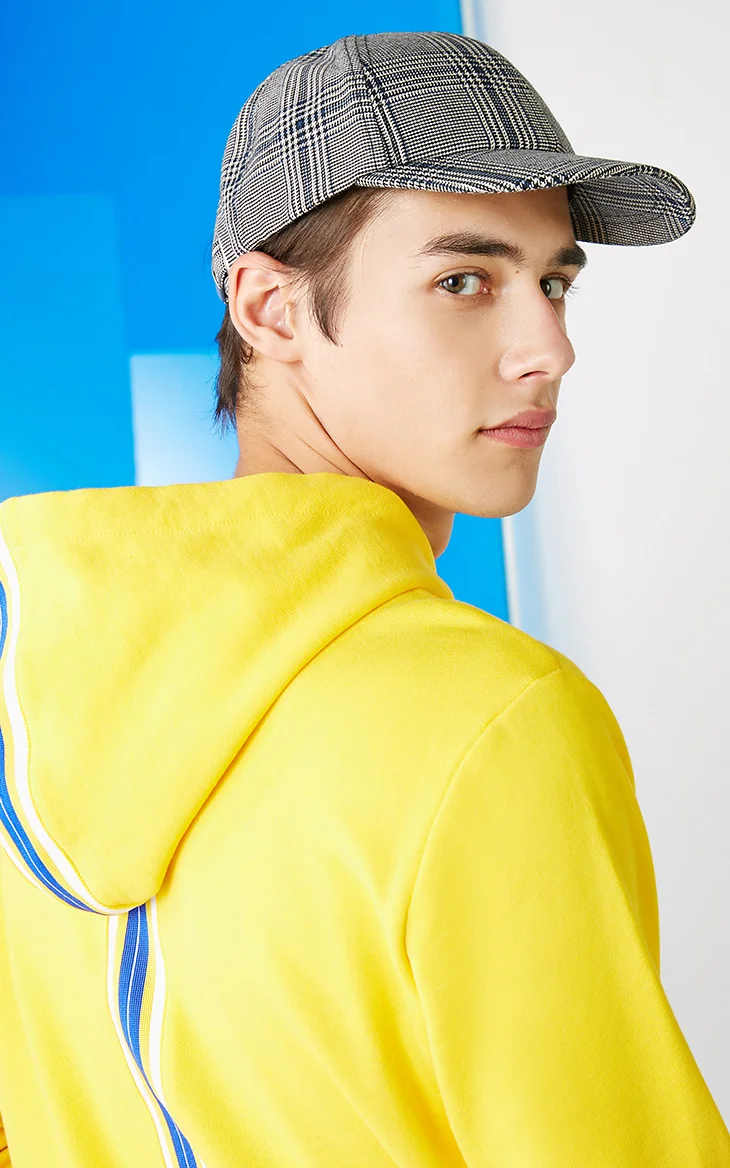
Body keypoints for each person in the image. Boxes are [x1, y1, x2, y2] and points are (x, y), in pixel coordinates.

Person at [0, 29, 728, 1167]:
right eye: (463, 281)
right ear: (271, 310)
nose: (548, 349)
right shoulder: (497, 718)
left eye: (553, 283)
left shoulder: (24, 696)